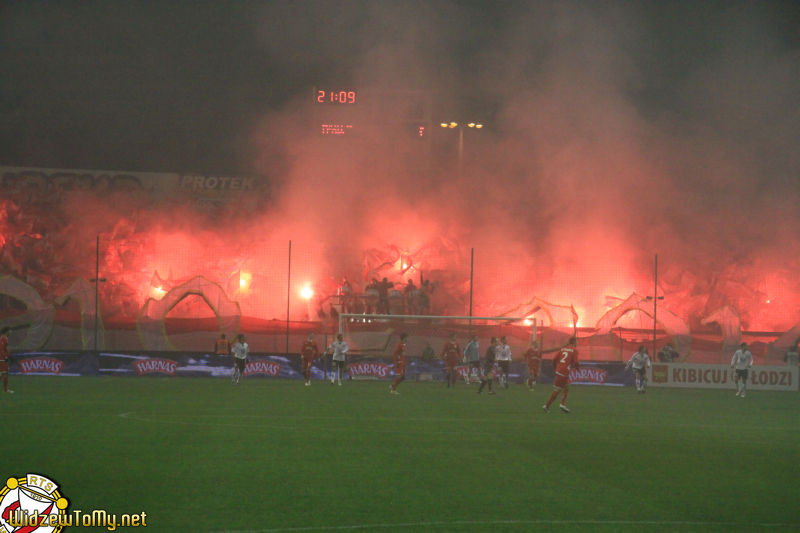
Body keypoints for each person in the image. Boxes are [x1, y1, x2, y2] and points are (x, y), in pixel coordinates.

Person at [543, 336, 579, 413]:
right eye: (577, 342)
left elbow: (554, 359)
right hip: (564, 372)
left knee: (566, 386)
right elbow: (576, 362)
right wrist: (578, 369)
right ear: (574, 342)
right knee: (558, 389)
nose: (577, 343)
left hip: (559, 371)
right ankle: (549, 405)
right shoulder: (574, 350)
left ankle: (557, 404)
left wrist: (555, 368)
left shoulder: (562, 349)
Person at [0, 327, 13, 394]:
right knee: (4, 373)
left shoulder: (5, 338)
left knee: (4, 373)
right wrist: (5, 357)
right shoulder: (3, 338)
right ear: (7, 331)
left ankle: (5, 390)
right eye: (10, 330)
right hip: (2, 358)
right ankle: (5, 390)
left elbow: (5, 349)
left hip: (3, 358)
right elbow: (1, 348)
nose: (11, 331)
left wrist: (8, 355)